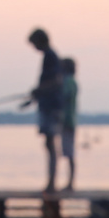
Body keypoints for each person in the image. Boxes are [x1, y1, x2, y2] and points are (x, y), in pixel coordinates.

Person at [20, 28, 63, 192]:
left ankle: (52, 183)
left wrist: (39, 90)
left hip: (51, 107)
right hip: (48, 105)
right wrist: (34, 97)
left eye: (33, 43)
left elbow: (56, 81)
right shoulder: (49, 56)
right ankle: (51, 182)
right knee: (49, 144)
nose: (33, 47)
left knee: (51, 144)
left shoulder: (50, 56)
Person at [59, 57, 78, 191]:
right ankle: (70, 182)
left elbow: (64, 97)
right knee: (68, 152)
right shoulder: (71, 82)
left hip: (67, 121)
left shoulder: (68, 82)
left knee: (69, 152)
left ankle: (71, 183)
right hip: (68, 121)